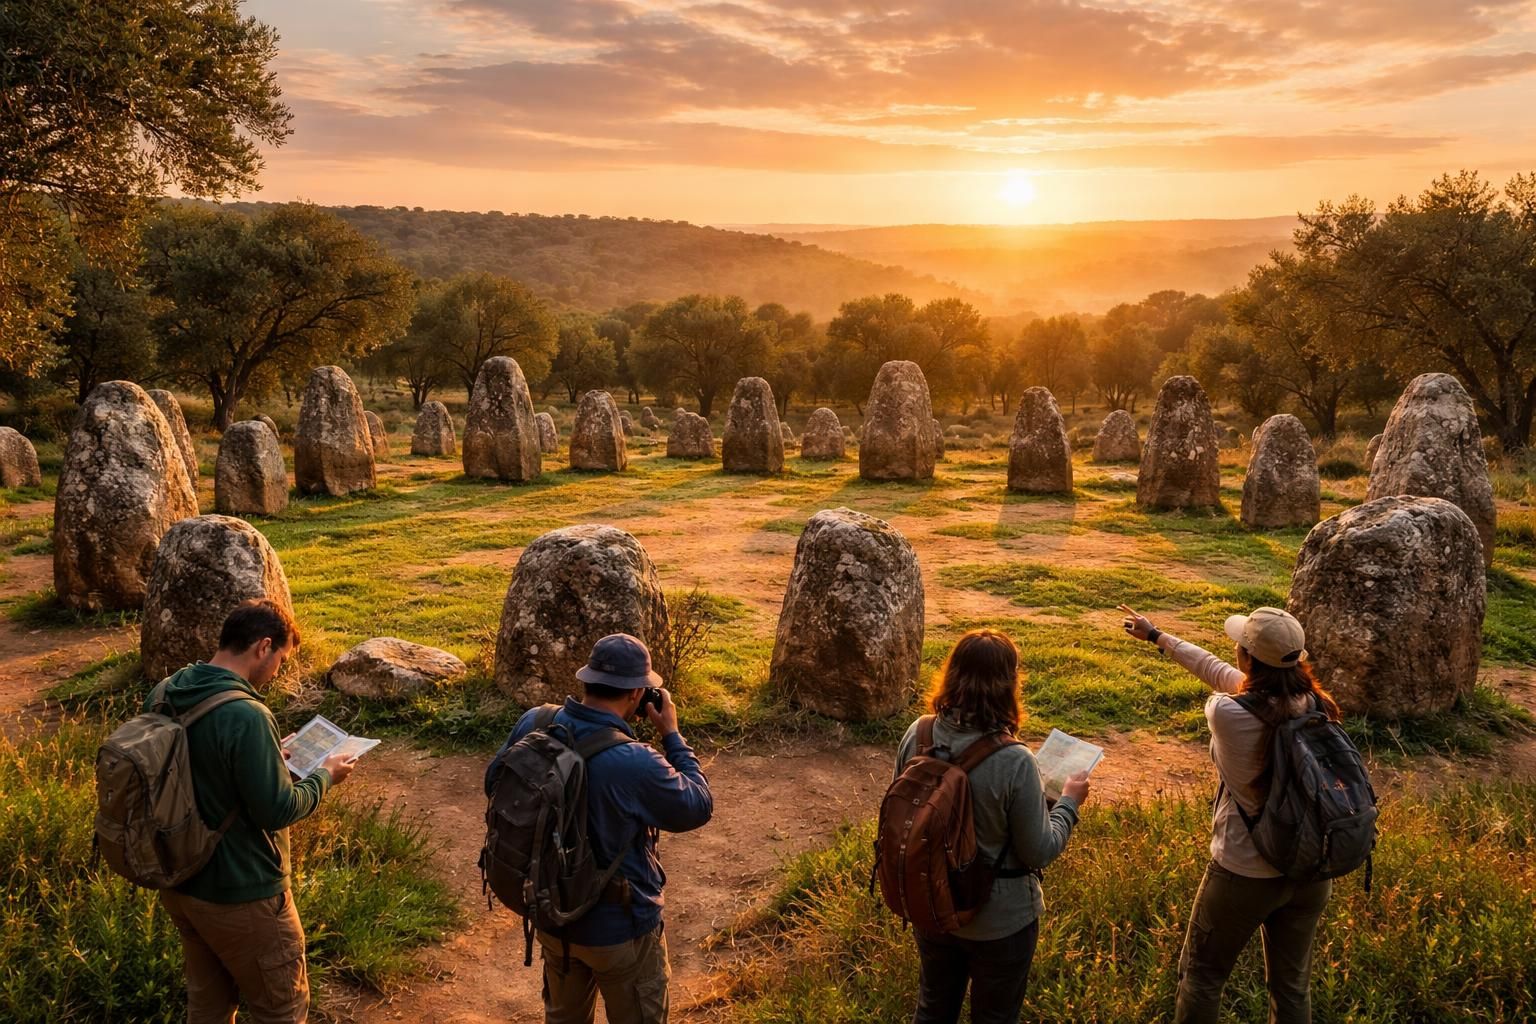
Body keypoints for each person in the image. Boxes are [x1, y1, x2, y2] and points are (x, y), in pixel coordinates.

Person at [1118, 603, 1339, 1024]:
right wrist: (1158, 636)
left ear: (1248, 657)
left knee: (1201, 977)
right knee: (1291, 988)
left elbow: (1223, 679)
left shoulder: (1226, 712)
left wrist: (1158, 638)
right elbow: (1224, 672)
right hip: (1311, 867)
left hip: (1244, 872)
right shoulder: (1318, 704)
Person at [484, 633, 713, 1024]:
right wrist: (672, 736)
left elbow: (494, 783)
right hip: (620, 931)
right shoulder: (636, 762)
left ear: (586, 680)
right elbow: (697, 806)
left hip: (552, 915)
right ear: (638, 695)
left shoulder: (536, 722)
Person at [153, 598, 357, 1024]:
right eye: (281, 659)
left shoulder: (169, 689)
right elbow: (277, 809)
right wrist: (324, 776)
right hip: (242, 893)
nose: (278, 671)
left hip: (182, 883)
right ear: (263, 647)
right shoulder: (247, 714)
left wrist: (268, 760)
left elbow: (200, 766)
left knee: (208, 1006)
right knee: (281, 1009)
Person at [893, 628, 1091, 1024]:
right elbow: (1039, 850)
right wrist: (1068, 802)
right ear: (1010, 683)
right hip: (1001, 921)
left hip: (933, 902)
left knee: (932, 1009)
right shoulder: (1016, 760)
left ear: (951, 673)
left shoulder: (920, 732)